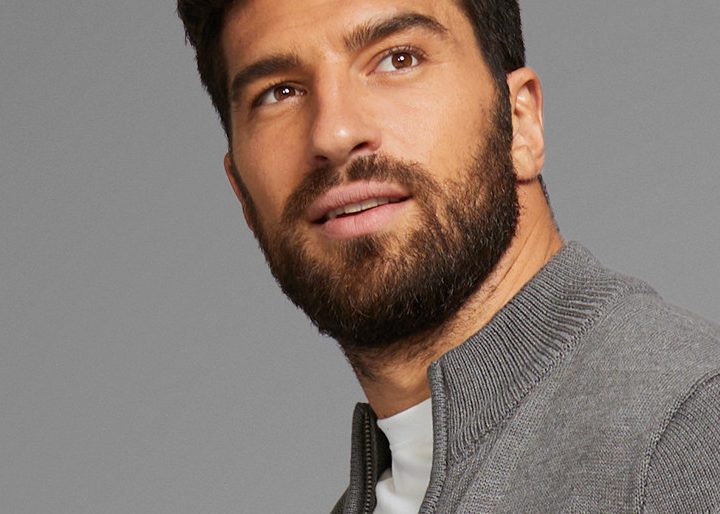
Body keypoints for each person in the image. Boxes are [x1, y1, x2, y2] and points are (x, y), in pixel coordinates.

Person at [177, 1, 720, 512]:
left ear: (520, 122)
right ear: (241, 191)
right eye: (279, 92)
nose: (334, 133)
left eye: (398, 59)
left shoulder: (690, 431)